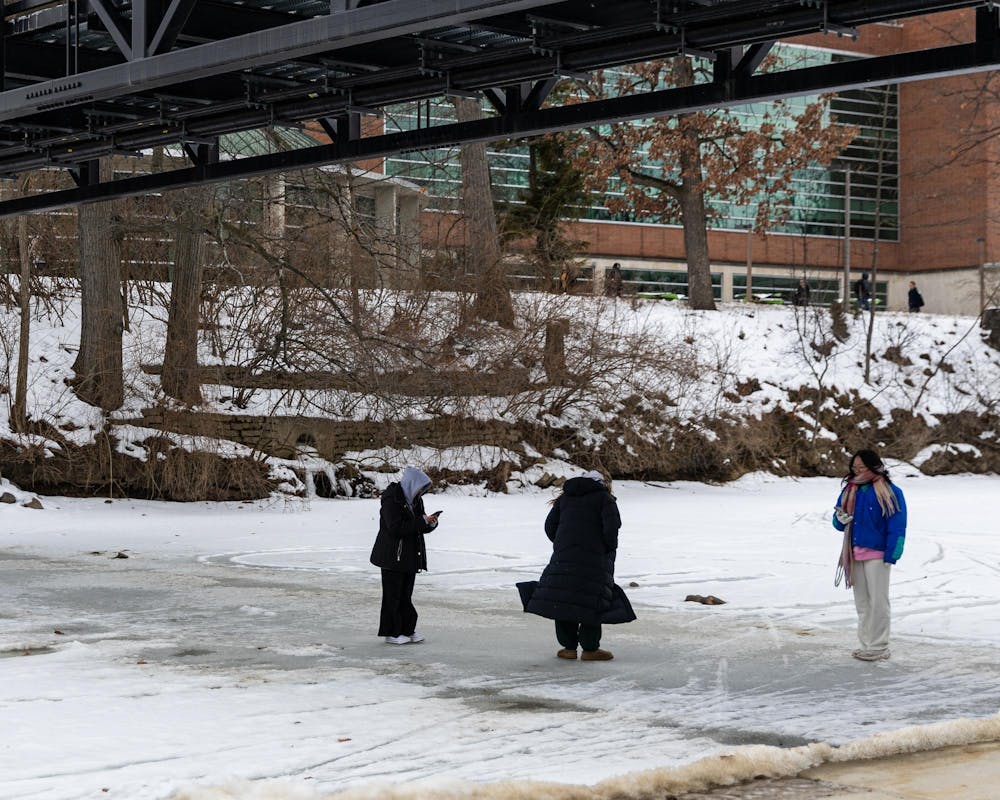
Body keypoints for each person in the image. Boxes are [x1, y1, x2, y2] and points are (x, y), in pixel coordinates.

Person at [517, 470, 635, 661]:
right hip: (594, 559)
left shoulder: (566, 498)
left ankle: (569, 648)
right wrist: (606, 547)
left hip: (564, 557)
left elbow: (549, 526)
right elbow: (611, 528)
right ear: (602, 483)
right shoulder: (605, 499)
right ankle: (590, 649)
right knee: (591, 600)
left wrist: (563, 543)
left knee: (563, 597)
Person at [832, 449, 907, 662]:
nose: (856, 471)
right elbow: (837, 522)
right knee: (863, 602)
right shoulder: (849, 489)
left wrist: (893, 552)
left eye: (861, 468)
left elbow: (897, 524)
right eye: (854, 468)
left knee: (878, 601)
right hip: (854, 552)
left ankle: (879, 646)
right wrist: (840, 519)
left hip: (878, 553)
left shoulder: (891, 491)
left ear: (874, 467)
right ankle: (866, 644)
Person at [370, 466, 440, 645]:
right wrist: (421, 521)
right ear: (411, 484)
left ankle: (407, 629)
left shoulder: (416, 501)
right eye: (420, 487)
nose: (421, 492)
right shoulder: (391, 500)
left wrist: (430, 523)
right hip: (391, 556)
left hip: (409, 556)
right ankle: (392, 633)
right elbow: (395, 528)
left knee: (405, 595)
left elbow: (417, 526)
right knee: (393, 596)